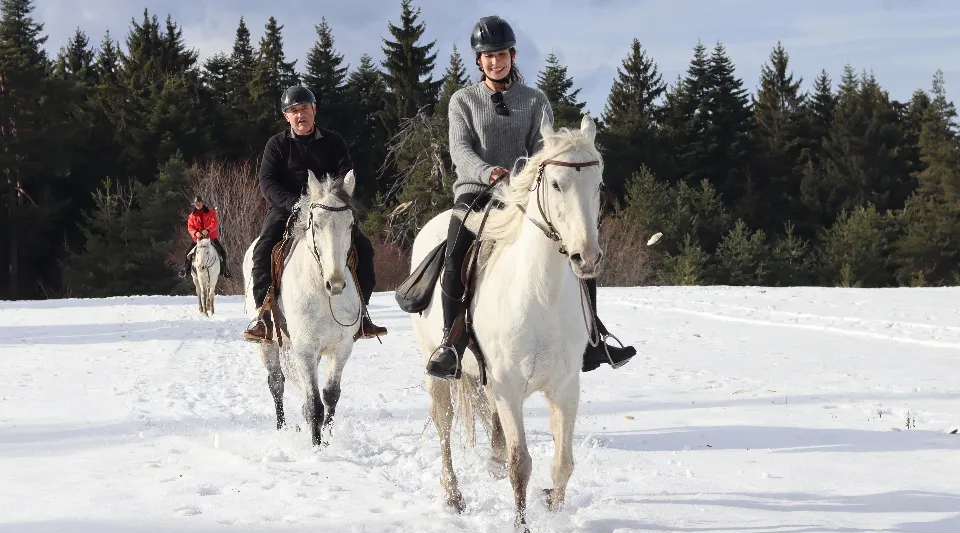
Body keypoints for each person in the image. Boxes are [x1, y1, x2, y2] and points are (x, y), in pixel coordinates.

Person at [424, 15, 637, 380]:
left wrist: (523, 180)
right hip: (477, 194)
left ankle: (592, 338)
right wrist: (488, 172)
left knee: (579, 248)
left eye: (501, 53)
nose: (495, 61)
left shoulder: (535, 100)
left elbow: (545, 150)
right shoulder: (462, 101)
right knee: (455, 252)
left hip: (525, 196)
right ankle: (450, 342)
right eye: (488, 55)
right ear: (479, 61)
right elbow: (460, 150)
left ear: (513, 54)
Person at [242, 85, 388, 343]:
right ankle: (263, 316)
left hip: (329, 211)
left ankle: (362, 314)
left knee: (364, 248)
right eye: (294, 111)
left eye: (305, 109)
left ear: (314, 110)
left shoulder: (334, 141)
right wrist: (293, 203)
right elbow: (267, 182)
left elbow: (345, 173)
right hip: (288, 209)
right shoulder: (276, 145)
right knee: (263, 249)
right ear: (286, 116)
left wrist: (333, 198)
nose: (300, 115)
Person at [179, 196, 230, 279]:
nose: (198, 205)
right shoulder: (192, 216)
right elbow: (190, 227)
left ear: (203, 203)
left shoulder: (211, 213)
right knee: (187, 253)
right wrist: (196, 233)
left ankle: (224, 269)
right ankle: (186, 269)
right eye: (196, 204)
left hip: (210, 238)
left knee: (222, 251)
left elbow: (214, 223)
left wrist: (208, 230)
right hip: (198, 239)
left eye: (199, 203)